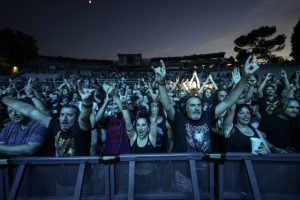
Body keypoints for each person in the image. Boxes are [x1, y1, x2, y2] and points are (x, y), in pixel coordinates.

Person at [152, 56, 259, 152]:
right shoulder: (179, 118)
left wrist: (245, 78)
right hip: (184, 168)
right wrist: (161, 83)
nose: (196, 108)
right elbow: (167, 105)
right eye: (192, 105)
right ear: (186, 108)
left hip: (205, 168)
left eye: (199, 105)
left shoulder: (207, 116)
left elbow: (228, 101)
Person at [1, 80, 94, 156]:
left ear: (76, 118)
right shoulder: (55, 124)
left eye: (69, 115)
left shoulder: (81, 128)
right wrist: (3, 97)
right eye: (62, 115)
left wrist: (87, 103)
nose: (64, 118)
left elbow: (84, 118)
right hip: (58, 170)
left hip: (80, 170)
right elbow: (31, 111)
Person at [113, 89, 158, 153]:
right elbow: (127, 122)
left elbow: (154, 119)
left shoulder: (151, 137)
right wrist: (123, 104)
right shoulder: (133, 137)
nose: (140, 127)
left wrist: (155, 102)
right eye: (138, 125)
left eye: (143, 125)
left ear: (148, 127)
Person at [95, 84, 131, 155]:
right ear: (112, 107)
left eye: (117, 104)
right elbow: (98, 119)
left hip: (125, 155)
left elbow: (124, 111)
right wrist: (106, 101)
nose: (116, 106)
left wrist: (114, 95)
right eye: (114, 104)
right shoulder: (109, 119)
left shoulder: (127, 117)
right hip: (110, 154)